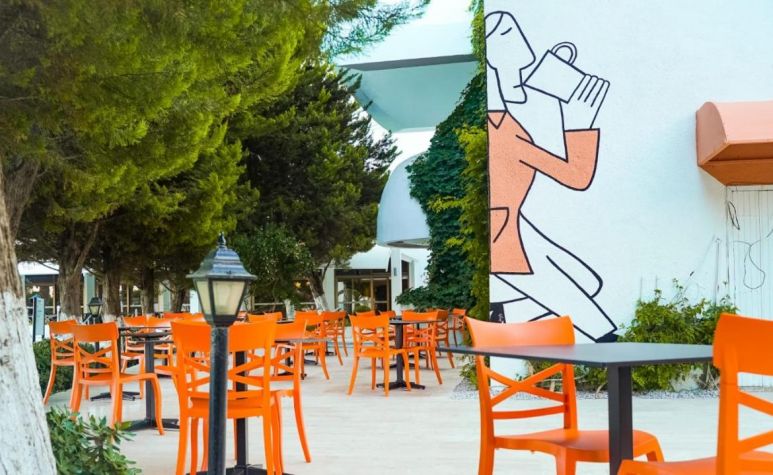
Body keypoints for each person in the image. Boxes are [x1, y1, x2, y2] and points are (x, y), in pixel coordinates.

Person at [485, 10, 617, 342]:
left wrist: (560, 102)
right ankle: (501, 319)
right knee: (600, 330)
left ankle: (502, 316)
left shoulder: (506, 119)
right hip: (508, 244)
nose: (519, 39)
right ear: (492, 59)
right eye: (506, 35)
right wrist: (579, 122)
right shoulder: (500, 131)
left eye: (514, 30)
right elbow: (576, 175)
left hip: (517, 228)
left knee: (588, 283)